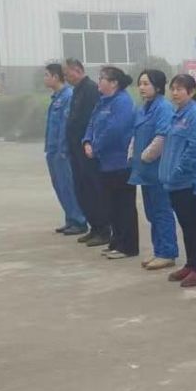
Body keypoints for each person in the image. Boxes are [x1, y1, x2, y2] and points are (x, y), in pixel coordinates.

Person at [84, 66, 140, 259]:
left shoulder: (123, 102)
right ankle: (116, 242)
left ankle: (128, 246)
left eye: (102, 78)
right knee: (111, 206)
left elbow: (115, 130)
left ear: (114, 83)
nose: (98, 82)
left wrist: (95, 147)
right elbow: (91, 124)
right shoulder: (102, 101)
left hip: (120, 163)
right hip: (104, 162)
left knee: (124, 206)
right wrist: (87, 141)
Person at [162, 73, 196, 288]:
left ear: (191, 92)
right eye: (173, 89)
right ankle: (191, 263)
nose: (175, 93)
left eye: (180, 89)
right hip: (174, 182)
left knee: (195, 224)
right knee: (186, 224)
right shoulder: (177, 114)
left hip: (188, 181)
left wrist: (179, 170)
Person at [129, 68, 179, 270]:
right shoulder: (143, 108)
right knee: (151, 212)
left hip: (157, 169)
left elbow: (162, 137)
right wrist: (132, 154)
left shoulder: (164, 108)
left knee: (162, 211)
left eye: (146, 83)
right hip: (144, 171)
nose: (141, 87)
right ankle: (158, 250)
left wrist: (145, 156)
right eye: (140, 84)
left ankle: (167, 252)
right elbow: (136, 134)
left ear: (157, 87)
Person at [64, 59, 105, 246]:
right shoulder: (77, 91)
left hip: (87, 149)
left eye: (68, 74)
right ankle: (94, 227)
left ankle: (103, 229)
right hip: (76, 149)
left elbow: (92, 121)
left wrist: (89, 143)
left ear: (78, 70)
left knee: (93, 190)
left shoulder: (90, 90)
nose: (66, 78)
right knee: (82, 190)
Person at [43, 62, 86, 235]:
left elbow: (65, 126)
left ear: (55, 77)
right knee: (59, 186)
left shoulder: (68, 96)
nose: (45, 79)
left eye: (47, 75)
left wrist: (62, 149)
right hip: (53, 149)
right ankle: (70, 217)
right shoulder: (56, 97)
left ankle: (79, 220)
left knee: (68, 185)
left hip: (61, 151)